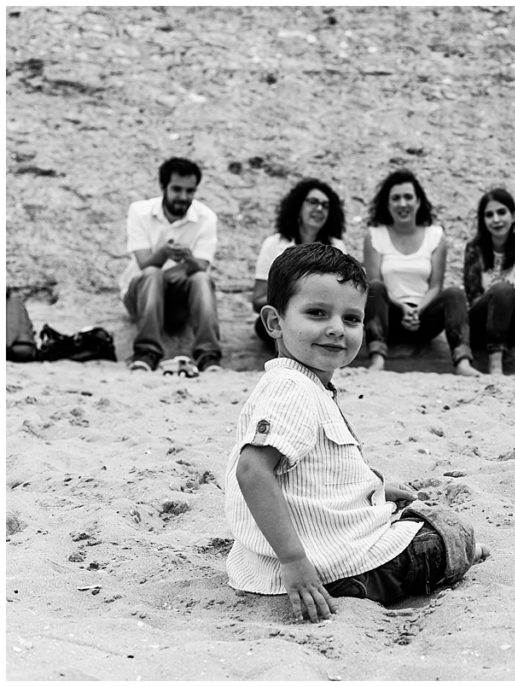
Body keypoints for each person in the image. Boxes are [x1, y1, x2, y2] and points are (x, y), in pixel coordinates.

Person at [224, 243, 488, 621]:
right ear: (274, 322)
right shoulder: (290, 388)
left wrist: (374, 485)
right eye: (317, 313)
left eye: (351, 319)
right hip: (313, 563)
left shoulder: (306, 384)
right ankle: (357, 581)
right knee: (447, 532)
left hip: (282, 562)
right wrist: (295, 561)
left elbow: (315, 472)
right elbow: (252, 472)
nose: (335, 329)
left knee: (406, 509)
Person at [362, 168, 479, 376]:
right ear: (387, 204)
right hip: (390, 316)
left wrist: (416, 310)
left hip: (424, 317)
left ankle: (462, 362)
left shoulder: (435, 236)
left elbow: (435, 286)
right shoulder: (374, 236)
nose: (402, 203)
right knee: (374, 288)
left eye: (408, 197)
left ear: (418, 201)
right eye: (396, 198)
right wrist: (403, 308)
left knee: (454, 294)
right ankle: (377, 358)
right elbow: (374, 283)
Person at [118, 157, 222, 372]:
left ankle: (208, 354)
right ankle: (146, 352)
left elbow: (200, 269)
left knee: (202, 279)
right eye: (177, 189)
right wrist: (164, 252)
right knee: (153, 274)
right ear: (163, 187)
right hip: (141, 295)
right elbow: (144, 264)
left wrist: (189, 258)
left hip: (180, 300)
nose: (183, 197)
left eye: (189, 191)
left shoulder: (206, 218)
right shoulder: (139, 212)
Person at [252, 178, 347, 346]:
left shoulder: (337, 247)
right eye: (313, 202)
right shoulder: (273, 245)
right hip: (287, 317)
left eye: (325, 205)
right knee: (265, 324)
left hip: (325, 318)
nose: (319, 209)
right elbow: (258, 299)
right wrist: (293, 303)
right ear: (298, 207)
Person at [463, 188, 515, 375]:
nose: (496, 220)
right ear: (483, 221)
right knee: (502, 290)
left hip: (511, 326)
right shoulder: (475, 249)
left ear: (513, 216)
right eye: (489, 215)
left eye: (501, 212)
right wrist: (499, 295)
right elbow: (473, 297)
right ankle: (495, 364)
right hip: (481, 325)